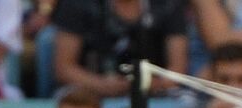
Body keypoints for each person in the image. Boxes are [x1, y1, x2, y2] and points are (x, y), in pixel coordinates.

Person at [51, 0, 189, 98]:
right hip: (92, 90)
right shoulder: (78, 3)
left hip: (156, 91)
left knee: (186, 99)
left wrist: (149, 84)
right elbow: (64, 68)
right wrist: (103, 85)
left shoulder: (168, 4)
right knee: (68, 97)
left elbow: (177, 70)